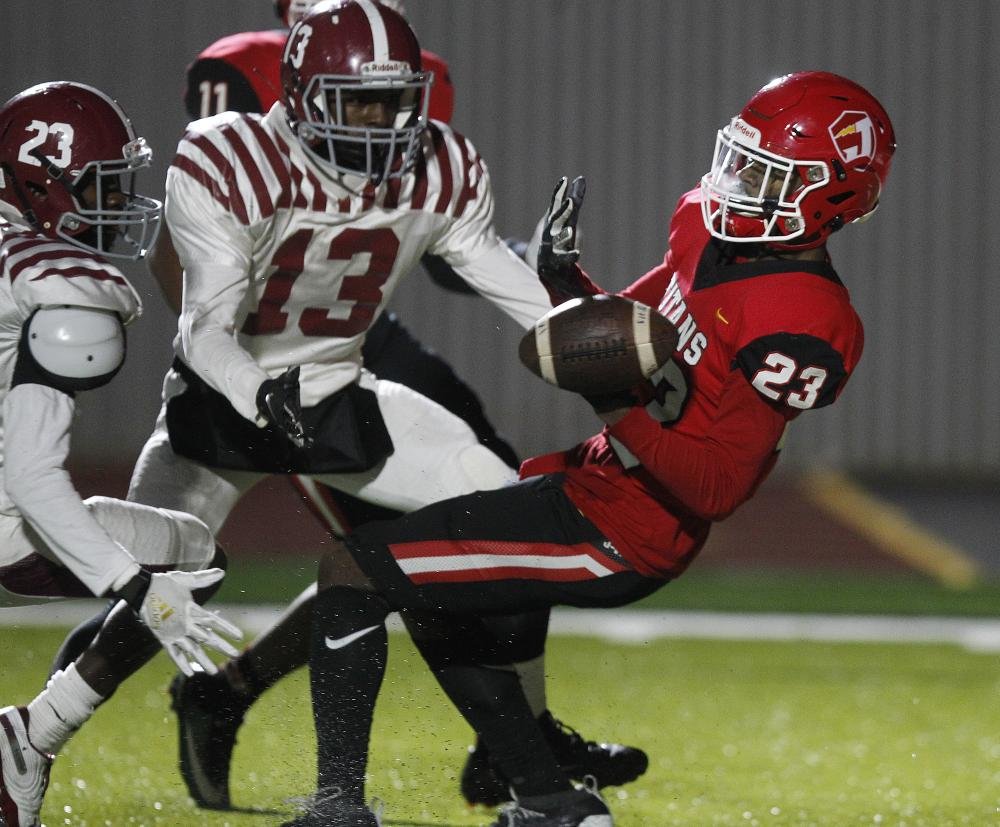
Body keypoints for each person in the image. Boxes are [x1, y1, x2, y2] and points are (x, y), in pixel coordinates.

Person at [288, 70, 896, 826]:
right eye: (740, 162)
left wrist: (613, 400)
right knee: (429, 598)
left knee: (355, 570)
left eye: (769, 177)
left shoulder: (805, 318)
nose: (738, 185)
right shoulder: (705, 225)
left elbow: (715, 490)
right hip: (593, 483)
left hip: (627, 533)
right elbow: (628, 326)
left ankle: (338, 808)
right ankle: (550, 800)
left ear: (832, 198)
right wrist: (564, 278)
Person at [107, 0, 642, 814]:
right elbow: (201, 319)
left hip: (337, 382)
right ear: (297, 86)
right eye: (362, 102)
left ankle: (518, 764)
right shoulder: (232, 149)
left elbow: (496, 278)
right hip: (227, 393)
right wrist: (251, 388)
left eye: (398, 101)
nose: (385, 123)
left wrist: (597, 329)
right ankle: (41, 727)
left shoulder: (440, 163)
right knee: (142, 593)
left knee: (498, 516)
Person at [0, 81, 242, 827]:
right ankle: (35, 736)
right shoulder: (57, 283)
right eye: (103, 185)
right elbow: (32, 477)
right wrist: (132, 584)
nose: (116, 203)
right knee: (191, 553)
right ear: (46, 180)